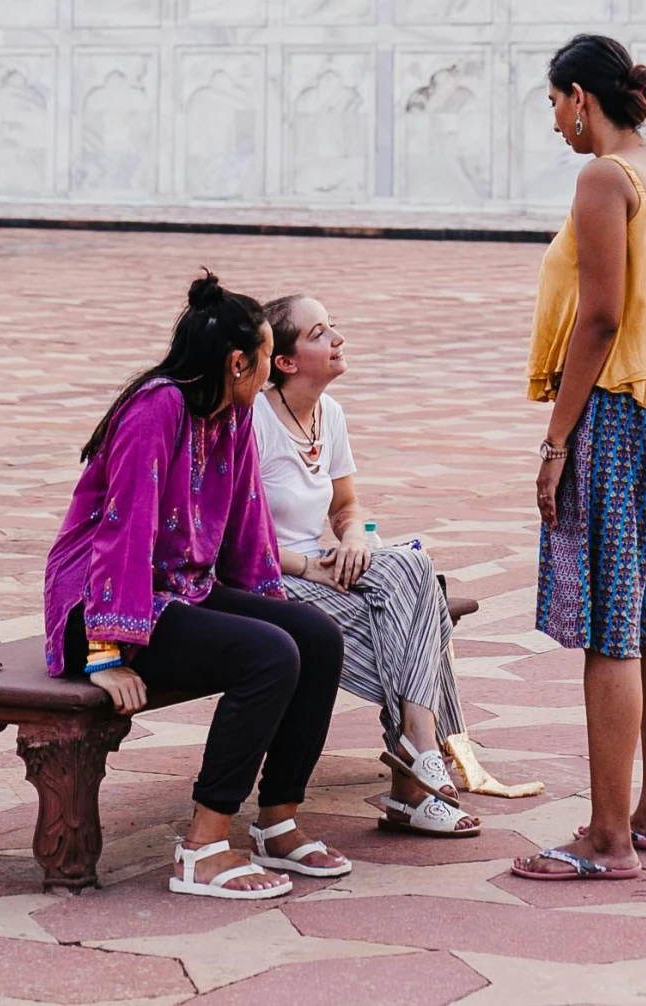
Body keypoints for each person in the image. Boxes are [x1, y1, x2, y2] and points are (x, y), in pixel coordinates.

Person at [43, 271, 351, 896]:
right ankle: (203, 845)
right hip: (98, 608)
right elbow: (119, 534)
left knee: (314, 637)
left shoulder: (232, 411)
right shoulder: (156, 409)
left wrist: (268, 606)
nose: (269, 376)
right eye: (266, 361)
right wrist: (106, 654)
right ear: (239, 362)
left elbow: (244, 528)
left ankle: (277, 818)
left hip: (181, 592)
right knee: (268, 656)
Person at [512, 34, 646, 885]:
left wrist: (556, 441)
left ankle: (606, 837)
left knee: (611, 631)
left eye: (554, 105)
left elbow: (598, 320)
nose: (556, 123)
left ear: (578, 97)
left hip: (616, 418)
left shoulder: (606, 178)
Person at [254, 294, 483, 836]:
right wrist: (309, 566)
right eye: (318, 333)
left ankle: (414, 749)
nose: (337, 340)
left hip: (327, 566)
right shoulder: (254, 423)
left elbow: (346, 505)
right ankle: (416, 771)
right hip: (273, 577)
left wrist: (355, 538)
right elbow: (233, 539)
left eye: (333, 326)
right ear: (284, 361)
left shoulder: (329, 415)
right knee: (411, 622)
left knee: (413, 571)